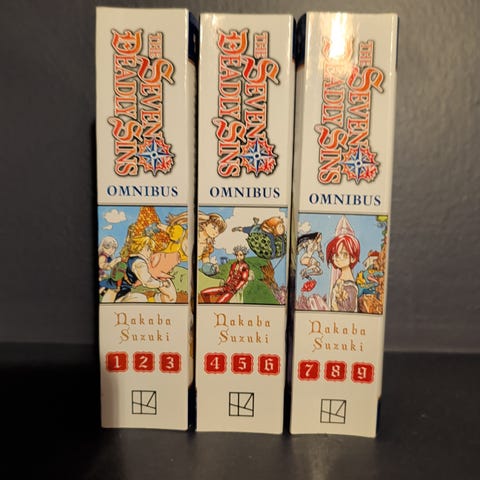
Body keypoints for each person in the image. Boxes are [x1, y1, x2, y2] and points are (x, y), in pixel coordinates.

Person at [326, 233, 360, 312]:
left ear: (353, 258)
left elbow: (348, 312)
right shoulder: (340, 281)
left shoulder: (350, 287)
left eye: (344, 254)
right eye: (335, 255)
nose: (338, 258)